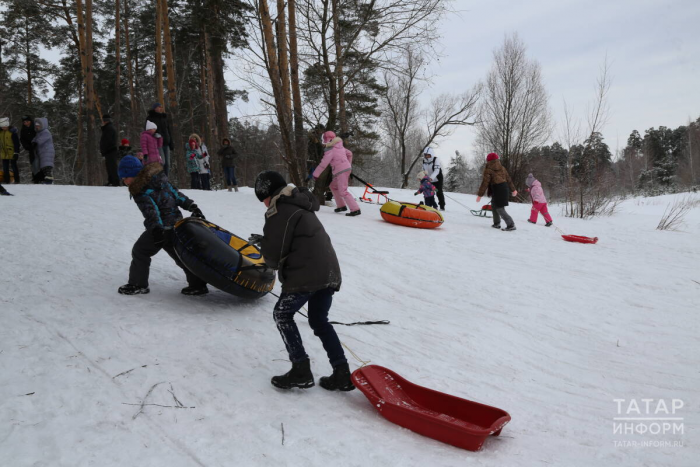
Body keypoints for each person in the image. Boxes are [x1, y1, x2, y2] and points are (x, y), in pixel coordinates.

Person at [251, 171, 354, 392]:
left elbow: (274, 255)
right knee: (319, 321)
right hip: (328, 272)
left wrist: (264, 251)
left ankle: (301, 369)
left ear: (267, 194)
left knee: (282, 314)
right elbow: (293, 237)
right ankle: (342, 373)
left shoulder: (280, 209)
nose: (264, 204)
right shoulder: (299, 203)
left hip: (308, 273)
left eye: (263, 200)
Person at [117, 155, 208, 296]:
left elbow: (151, 211)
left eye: (124, 177)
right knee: (180, 255)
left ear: (132, 174)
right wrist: (192, 206)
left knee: (140, 251)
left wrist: (156, 229)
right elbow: (176, 195)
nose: (124, 181)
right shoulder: (159, 179)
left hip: (161, 228)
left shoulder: (139, 189)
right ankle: (198, 284)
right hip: (176, 225)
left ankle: (137, 284)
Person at [312, 131, 360, 216]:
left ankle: (355, 209)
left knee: (343, 191)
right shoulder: (339, 146)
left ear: (326, 139)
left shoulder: (330, 150)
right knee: (333, 186)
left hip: (341, 171)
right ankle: (341, 206)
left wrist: (316, 174)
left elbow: (323, 164)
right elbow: (350, 154)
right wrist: (348, 165)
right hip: (341, 170)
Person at [476, 153, 518, 231]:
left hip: (498, 189)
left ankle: (511, 224)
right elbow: (509, 179)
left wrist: (480, 195)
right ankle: (497, 223)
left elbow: (485, 183)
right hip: (503, 188)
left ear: (488, 160)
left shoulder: (488, 169)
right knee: (494, 205)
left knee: (500, 208)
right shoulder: (502, 168)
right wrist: (513, 189)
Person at [145, 103, 174, 175]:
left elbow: (169, 130)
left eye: (161, 107)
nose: (161, 108)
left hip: (166, 143)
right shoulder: (150, 118)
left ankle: (166, 180)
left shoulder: (164, 118)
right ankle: (160, 180)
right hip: (157, 144)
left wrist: (171, 142)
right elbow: (147, 131)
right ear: (155, 108)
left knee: (167, 164)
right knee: (162, 162)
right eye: (159, 107)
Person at [32, 118, 55, 184]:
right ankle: (45, 179)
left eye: (38, 125)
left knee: (47, 166)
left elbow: (40, 140)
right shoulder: (39, 133)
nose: (37, 127)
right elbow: (35, 139)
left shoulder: (45, 132)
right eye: (36, 125)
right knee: (43, 167)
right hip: (42, 152)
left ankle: (49, 180)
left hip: (47, 151)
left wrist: (35, 142)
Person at [100, 114, 120, 186]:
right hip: (109, 150)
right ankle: (111, 181)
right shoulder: (108, 128)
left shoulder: (109, 128)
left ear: (105, 121)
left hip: (110, 150)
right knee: (109, 167)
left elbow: (106, 141)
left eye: (103, 120)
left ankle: (115, 182)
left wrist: (103, 150)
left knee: (112, 167)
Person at [0, 117, 21, 184]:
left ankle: (17, 180)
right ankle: (7, 180)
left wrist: (16, 152)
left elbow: (16, 143)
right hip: (4, 152)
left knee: (14, 166)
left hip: (12, 152)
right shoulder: (1, 133)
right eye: (2, 127)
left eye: (5, 127)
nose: (3, 128)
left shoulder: (12, 133)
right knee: (5, 167)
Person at [19, 116, 38, 183]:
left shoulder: (35, 127)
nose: (26, 123)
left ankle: (41, 177)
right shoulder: (23, 130)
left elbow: (39, 136)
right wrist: (26, 146)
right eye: (24, 122)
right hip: (30, 148)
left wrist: (36, 143)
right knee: (33, 163)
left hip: (38, 147)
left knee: (39, 162)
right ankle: (35, 177)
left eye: (27, 121)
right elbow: (22, 139)